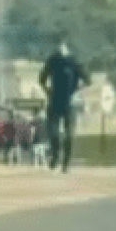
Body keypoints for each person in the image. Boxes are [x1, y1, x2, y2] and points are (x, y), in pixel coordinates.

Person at [38, 38, 90, 172]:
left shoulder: (74, 62)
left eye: (61, 46)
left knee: (69, 135)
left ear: (67, 47)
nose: (59, 48)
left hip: (70, 103)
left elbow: (88, 80)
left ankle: (66, 163)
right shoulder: (53, 60)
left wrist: (77, 91)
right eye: (57, 46)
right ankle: (55, 156)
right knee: (53, 133)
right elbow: (41, 79)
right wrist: (47, 91)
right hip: (55, 101)